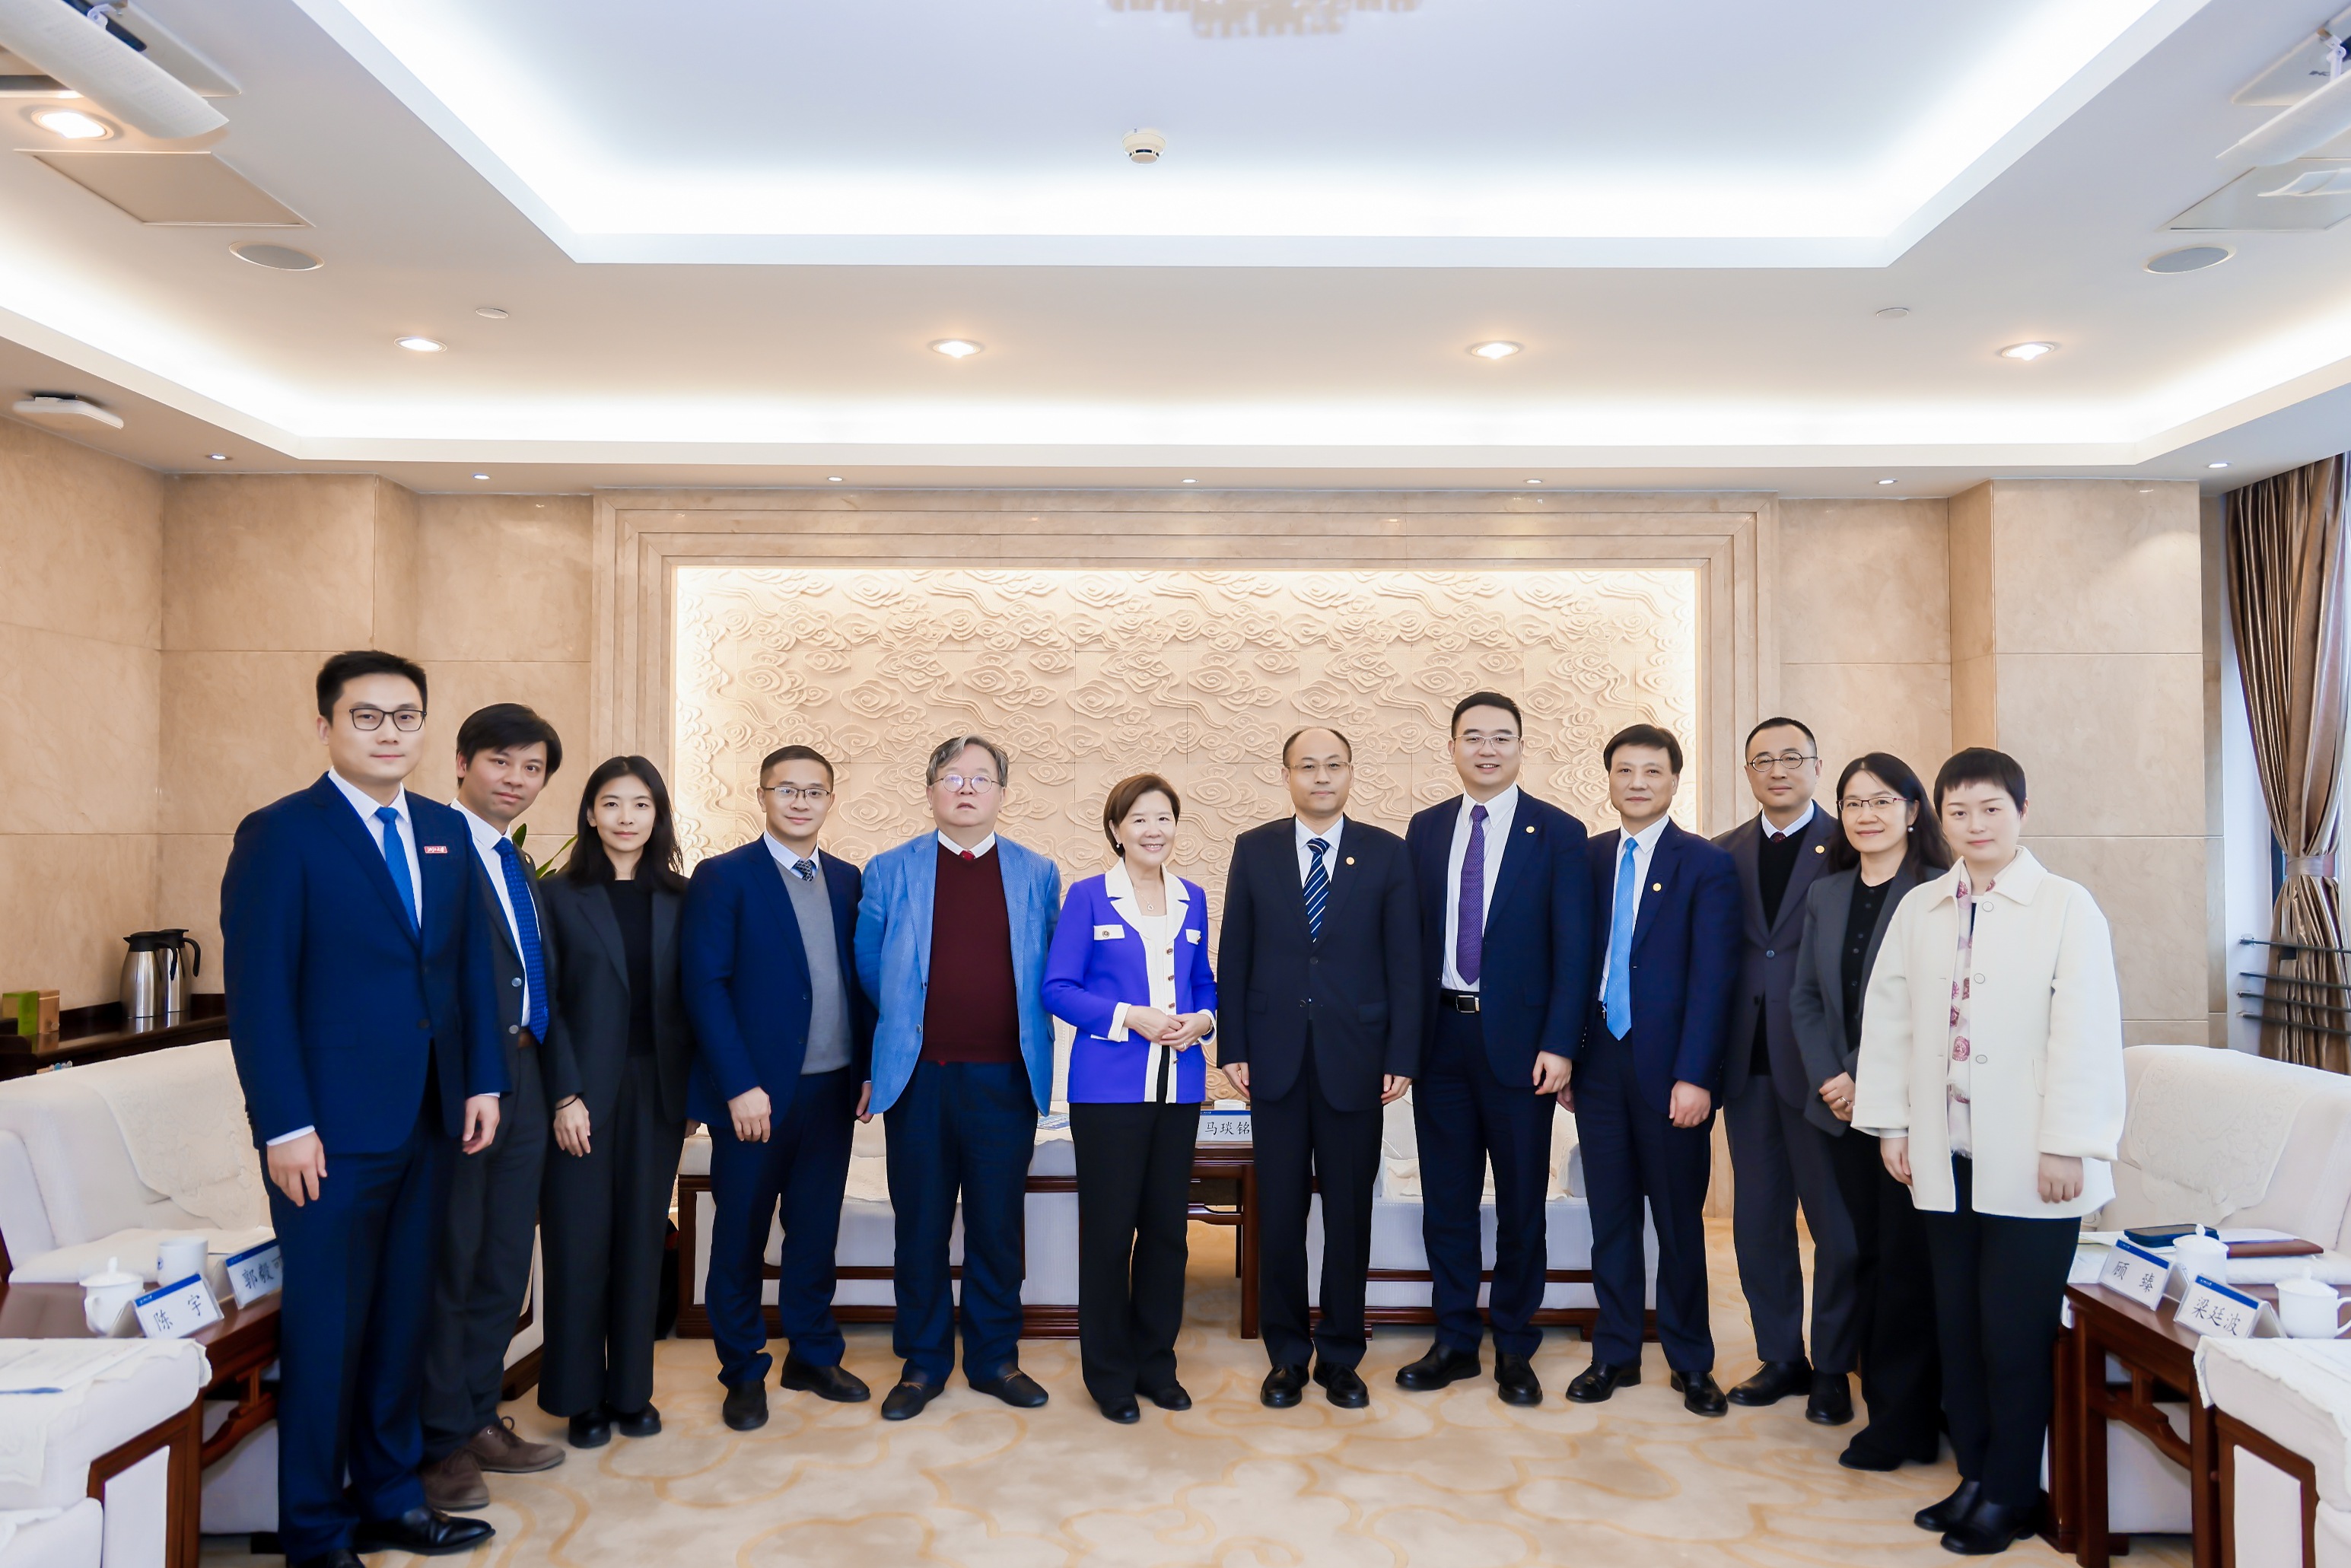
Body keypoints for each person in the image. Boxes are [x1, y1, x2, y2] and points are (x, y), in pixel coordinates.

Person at [220, 650, 503, 1568]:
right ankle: (314, 1527)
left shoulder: (444, 832)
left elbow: (466, 973)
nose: (390, 734)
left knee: (399, 1328)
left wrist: (483, 1082)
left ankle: (389, 1496)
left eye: (406, 717)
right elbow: (260, 995)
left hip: (431, 1118)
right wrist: (284, 1125)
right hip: (330, 1136)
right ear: (326, 727)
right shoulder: (281, 835)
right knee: (329, 1332)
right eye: (368, 717)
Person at [1853, 748, 2126, 1556]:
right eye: (1959, 812)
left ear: (2022, 813)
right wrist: (1895, 1128)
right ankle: (1974, 1475)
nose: (1974, 826)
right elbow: (1892, 1021)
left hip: (2035, 1165)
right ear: (1941, 817)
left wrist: (2070, 1144)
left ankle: (2011, 1493)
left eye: (1991, 810)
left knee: (2012, 1333)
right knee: (1960, 1328)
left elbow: (2086, 1032)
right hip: (1948, 1156)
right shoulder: (1925, 906)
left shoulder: (2066, 907)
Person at [856, 735, 1062, 1420]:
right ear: (931, 789)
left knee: (997, 1225)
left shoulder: (1037, 872)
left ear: (1003, 792)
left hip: (1005, 1079)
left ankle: (995, 1357)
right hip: (918, 1080)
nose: (966, 788)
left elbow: (1048, 971)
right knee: (919, 1224)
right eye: (952, 776)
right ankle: (922, 1361)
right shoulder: (889, 870)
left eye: (981, 778)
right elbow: (868, 969)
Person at [1397, 693, 1592, 1406]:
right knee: (1445, 1199)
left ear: (1520, 746)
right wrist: (1401, 1044)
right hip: (1440, 1037)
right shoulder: (1424, 830)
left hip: (1521, 1047)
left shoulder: (1559, 832)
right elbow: (1407, 944)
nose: (1487, 749)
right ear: (1452, 747)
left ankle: (1514, 1344)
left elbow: (1575, 950)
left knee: (1519, 1202)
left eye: (1501, 737)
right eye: (1472, 737)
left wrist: (1561, 1044)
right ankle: (1454, 1341)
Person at [1218, 726, 1420, 1411]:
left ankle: (1340, 1353)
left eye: (1334, 764)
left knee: (1348, 1214)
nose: (1322, 776)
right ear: (1287, 774)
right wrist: (1233, 1046)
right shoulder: (1255, 849)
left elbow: (1406, 965)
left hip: (1357, 1063)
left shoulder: (1388, 855)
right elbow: (1234, 955)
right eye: (1308, 766)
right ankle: (1286, 1354)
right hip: (1272, 1063)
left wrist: (1401, 1054)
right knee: (1277, 1212)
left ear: (1351, 772)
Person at [681, 744, 874, 1432]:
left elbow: (863, 984)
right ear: (762, 795)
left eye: (814, 791)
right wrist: (738, 1086)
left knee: (814, 1230)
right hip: (755, 1098)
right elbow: (704, 988)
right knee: (739, 1234)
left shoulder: (850, 880)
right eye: (786, 789)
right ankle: (742, 1369)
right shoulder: (723, 876)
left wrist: (870, 1069)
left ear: (830, 799)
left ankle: (813, 1354)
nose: (800, 801)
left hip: (832, 1091)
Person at [1564, 723, 1740, 1417]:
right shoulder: (1587, 858)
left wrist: (1696, 1075)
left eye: (1652, 772)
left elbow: (1714, 979)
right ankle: (1614, 1354)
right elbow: (1575, 964)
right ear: (1608, 780)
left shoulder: (1705, 864)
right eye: (1625, 771)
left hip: (1672, 1071)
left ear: (1673, 781)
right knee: (1610, 1219)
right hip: (1600, 1062)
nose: (1637, 782)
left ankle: (1692, 1360)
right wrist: (1571, 1058)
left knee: (1677, 1223)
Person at [420, 704, 568, 1511]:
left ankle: (477, 1417)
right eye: (501, 762)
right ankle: (438, 1442)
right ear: (462, 763)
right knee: (456, 1260)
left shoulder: (517, 864)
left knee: (505, 1260)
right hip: (462, 1086)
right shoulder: (433, 851)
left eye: (532, 768)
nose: (516, 780)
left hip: (527, 1075)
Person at [1789, 752, 1951, 1474]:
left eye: (1884, 801)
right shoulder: (1827, 894)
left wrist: (1871, 1082)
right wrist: (1833, 1075)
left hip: (1912, 1111)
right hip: (1839, 1109)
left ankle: (1904, 1418)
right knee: (1859, 1252)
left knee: (1905, 1265)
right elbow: (1805, 998)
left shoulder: (1940, 892)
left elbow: (1934, 1010)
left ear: (1914, 811)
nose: (1867, 815)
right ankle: (1876, 1399)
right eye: (1854, 803)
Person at [1042, 774, 1219, 1423]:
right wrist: (1129, 1015)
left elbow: (1206, 984)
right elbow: (1057, 989)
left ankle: (1156, 1363)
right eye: (1139, 818)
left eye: (1165, 817)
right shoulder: (1088, 897)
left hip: (1180, 1089)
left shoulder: (1193, 899)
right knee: (1112, 1234)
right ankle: (1109, 1374)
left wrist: (1203, 1020)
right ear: (1116, 829)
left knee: (1169, 1233)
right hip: (1108, 1091)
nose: (1154, 829)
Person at [538, 757, 696, 1446]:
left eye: (641, 804)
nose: (626, 817)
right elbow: (545, 1001)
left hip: (658, 1090)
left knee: (640, 1239)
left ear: (657, 815)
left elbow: (697, 1000)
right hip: (582, 1091)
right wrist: (564, 1092)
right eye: (612, 803)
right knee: (578, 1243)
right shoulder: (556, 893)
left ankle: (632, 1392)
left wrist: (692, 1089)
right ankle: (580, 1398)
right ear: (590, 813)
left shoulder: (684, 896)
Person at [1713, 716, 1859, 1424]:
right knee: (1759, 1218)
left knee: (1834, 1225)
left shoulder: (1850, 845)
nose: (1777, 770)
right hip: (1748, 1066)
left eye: (1791, 758)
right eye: (1762, 760)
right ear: (1747, 772)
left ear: (1815, 764)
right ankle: (1782, 1354)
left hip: (1824, 1069)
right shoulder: (1723, 852)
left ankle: (1833, 1364)